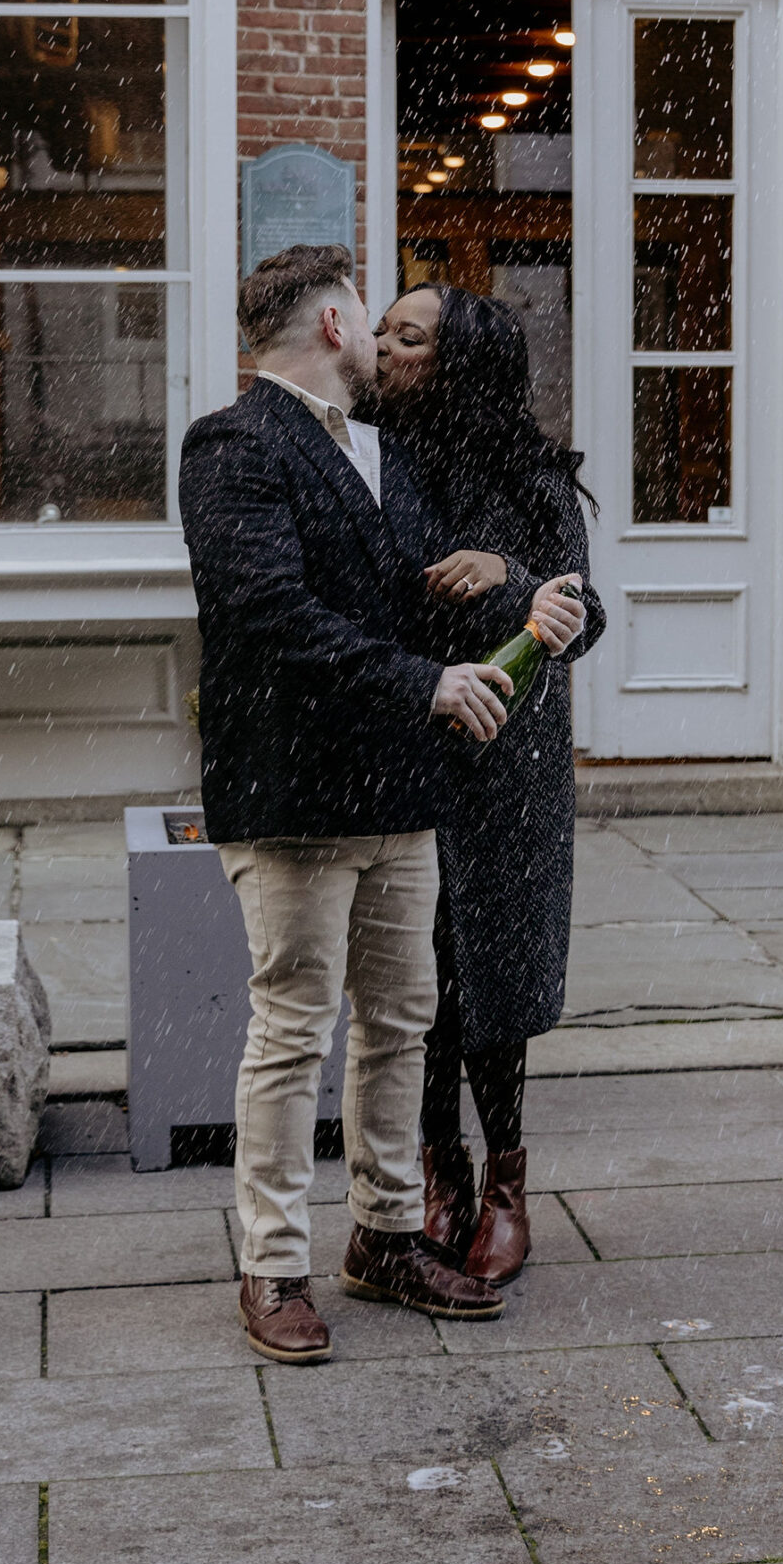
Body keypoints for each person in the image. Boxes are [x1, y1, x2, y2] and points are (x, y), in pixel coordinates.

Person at [178, 243, 582, 1365]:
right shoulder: (230, 444)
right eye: (371, 322)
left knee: (400, 1026)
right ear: (329, 328)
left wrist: (522, 595)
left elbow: (412, 598)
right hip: (296, 795)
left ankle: (387, 1233)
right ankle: (270, 1266)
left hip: (402, 795)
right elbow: (270, 615)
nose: (381, 342)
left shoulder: (377, 452)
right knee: (291, 1033)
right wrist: (427, 684)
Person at [373, 283, 605, 1286]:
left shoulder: (531, 476)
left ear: (458, 361)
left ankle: (507, 1183)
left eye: (406, 335)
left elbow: (580, 614)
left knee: (492, 981)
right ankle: (441, 1175)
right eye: (381, 328)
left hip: (506, 767)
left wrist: (505, 577)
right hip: (409, 746)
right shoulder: (368, 457)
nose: (379, 344)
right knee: (418, 982)